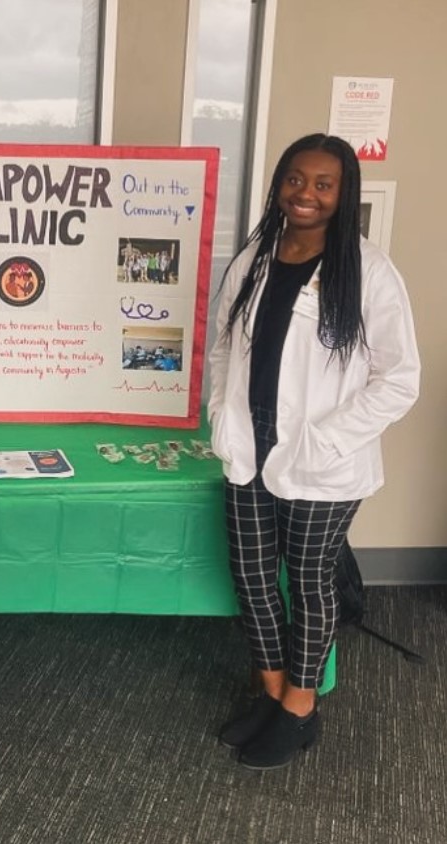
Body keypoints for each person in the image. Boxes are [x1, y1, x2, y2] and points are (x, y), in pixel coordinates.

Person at [208, 133, 419, 771]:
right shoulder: (254, 257)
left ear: (342, 192)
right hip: (250, 446)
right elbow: (223, 347)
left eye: (323, 184)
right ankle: (272, 694)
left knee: (307, 580)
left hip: (323, 459)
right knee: (250, 576)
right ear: (280, 184)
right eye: (296, 179)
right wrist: (222, 414)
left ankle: (301, 710)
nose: (306, 194)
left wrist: (329, 438)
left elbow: (400, 378)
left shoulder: (368, 269)